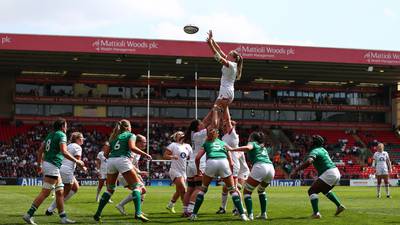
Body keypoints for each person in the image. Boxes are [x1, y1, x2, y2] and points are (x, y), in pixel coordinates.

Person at [23, 118, 85, 225]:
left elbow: (40, 150)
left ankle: (63, 218)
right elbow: (64, 152)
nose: (66, 127)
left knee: (60, 192)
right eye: (65, 125)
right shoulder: (61, 135)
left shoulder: (50, 135)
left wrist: (39, 164)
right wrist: (77, 161)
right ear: (62, 127)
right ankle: (28, 215)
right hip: (53, 165)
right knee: (45, 192)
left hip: (50, 164)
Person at [93, 119, 152, 222]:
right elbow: (132, 147)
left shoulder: (113, 138)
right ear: (128, 127)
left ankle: (97, 214)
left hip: (111, 161)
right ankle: (138, 213)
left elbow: (105, 154)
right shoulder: (130, 135)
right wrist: (146, 154)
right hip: (123, 160)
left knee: (110, 189)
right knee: (137, 187)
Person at [189, 127, 248, 221]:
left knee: (203, 190)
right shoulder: (223, 143)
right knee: (233, 190)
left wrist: (198, 171)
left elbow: (197, 158)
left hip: (211, 163)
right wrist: (230, 173)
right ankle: (242, 215)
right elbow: (231, 162)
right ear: (217, 135)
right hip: (223, 162)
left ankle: (193, 214)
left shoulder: (206, 143)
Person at [289, 135, 346, 219]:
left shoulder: (315, 150)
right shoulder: (323, 150)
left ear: (314, 143)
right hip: (336, 172)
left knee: (312, 191)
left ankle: (316, 213)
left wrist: (296, 170)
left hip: (329, 173)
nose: (309, 142)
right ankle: (339, 206)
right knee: (325, 190)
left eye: (311, 141)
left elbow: (309, 161)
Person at [203, 30, 243, 129]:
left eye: (229, 54)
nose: (227, 55)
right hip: (229, 93)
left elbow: (218, 57)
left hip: (225, 92)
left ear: (233, 58)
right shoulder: (232, 63)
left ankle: (212, 133)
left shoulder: (231, 65)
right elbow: (219, 50)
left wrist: (209, 45)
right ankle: (228, 133)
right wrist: (212, 40)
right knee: (222, 118)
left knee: (215, 115)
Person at [229, 131, 274, 220]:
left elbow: (248, 148)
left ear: (252, 138)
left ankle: (250, 215)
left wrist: (232, 149)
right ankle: (263, 214)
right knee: (261, 190)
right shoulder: (262, 146)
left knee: (247, 192)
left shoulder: (252, 143)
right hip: (271, 168)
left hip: (260, 166)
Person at [45, 132, 87, 215]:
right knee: (65, 192)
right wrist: (83, 168)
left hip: (60, 168)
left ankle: (52, 208)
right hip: (67, 170)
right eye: (82, 138)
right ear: (77, 139)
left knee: (75, 187)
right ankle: (51, 209)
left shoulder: (68, 145)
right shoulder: (78, 147)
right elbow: (78, 162)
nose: (83, 140)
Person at [217, 110, 249, 215]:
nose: (224, 125)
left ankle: (240, 209)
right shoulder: (224, 137)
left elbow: (228, 120)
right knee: (227, 188)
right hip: (230, 164)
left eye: (227, 125)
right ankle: (224, 208)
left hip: (240, 168)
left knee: (235, 188)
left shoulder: (233, 135)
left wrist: (225, 108)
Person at [115, 134, 149, 215]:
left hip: (130, 172)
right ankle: (121, 205)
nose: (145, 144)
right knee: (141, 190)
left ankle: (138, 210)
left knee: (141, 191)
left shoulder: (137, 152)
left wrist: (138, 172)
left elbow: (135, 163)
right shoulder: (132, 150)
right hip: (126, 173)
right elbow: (129, 163)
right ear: (137, 142)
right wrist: (138, 172)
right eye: (144, 142)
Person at [164, 131, 192, 214]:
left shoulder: (187, 146)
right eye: (179, 134)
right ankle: (185, 210)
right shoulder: (173, 145)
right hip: (174, 170)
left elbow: (192, 157)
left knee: (179, 191)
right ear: (176, 137)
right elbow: (165, 156)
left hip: (184, 171)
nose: (181, 135)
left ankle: (170, 205)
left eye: (182, 134)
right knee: (183, 189)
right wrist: (172, 156)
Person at [184, 119, 208, 217]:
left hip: (190, 163)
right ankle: (190, 210)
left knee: (190, 188)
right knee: (199, 188)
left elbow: (206, 120)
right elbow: (214, 124)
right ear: (198, 127)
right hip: (199, 163)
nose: (203, 124)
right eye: (201, 123)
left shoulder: (193, 133)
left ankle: (185, 210)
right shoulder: (200, 134)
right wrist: (216, 111)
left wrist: (213, 109)